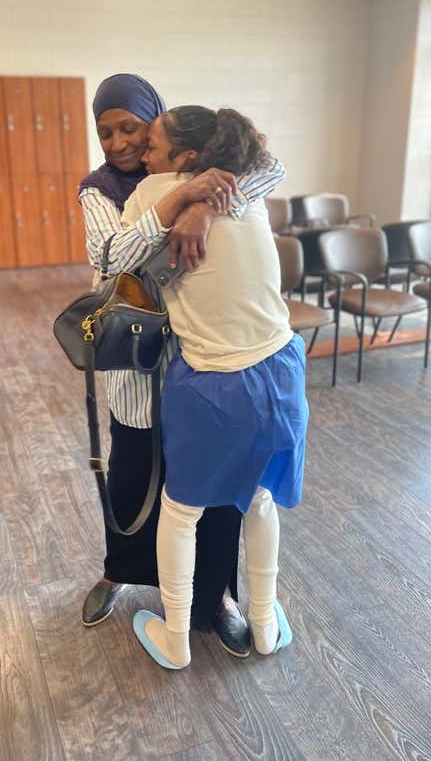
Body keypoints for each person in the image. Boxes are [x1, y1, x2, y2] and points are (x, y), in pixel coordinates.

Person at [78, 74, 286, 656]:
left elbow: (272, 169)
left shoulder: (208, 174)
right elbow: (107, 260)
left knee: (212, 492)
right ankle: (120, 572)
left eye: (131, 129)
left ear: (159, 128)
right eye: (106, 132)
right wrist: (180, 201)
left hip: (203, 362)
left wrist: (205, 206)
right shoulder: (99, 189)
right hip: (142, 358)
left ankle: (216, 597)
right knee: (132, 473)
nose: (120, 144)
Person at [120, 105, 308, 669]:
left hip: (214, 385)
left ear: (188, 158)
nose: (143, 153)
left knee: (181, 512)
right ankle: (266, 623)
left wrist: (185, 203)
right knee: (258, 497)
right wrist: (203, 200)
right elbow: (269, 161)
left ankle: (176, 639)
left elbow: (112, 261)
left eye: (153, 143)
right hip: (282, 372)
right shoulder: (245, 191)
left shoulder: (151, 190)